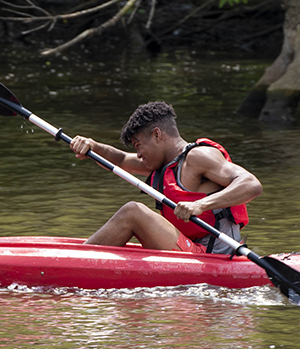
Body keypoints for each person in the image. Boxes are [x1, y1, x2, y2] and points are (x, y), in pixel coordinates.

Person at [68, 101, 262, 253]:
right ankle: (81, 258)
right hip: (189, 248)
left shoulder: (199, 157)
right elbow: (119, 159)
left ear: (157, 135)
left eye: (138, 146)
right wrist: (93, 146)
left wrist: (200, 205)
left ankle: (72, 264)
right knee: (132, 212)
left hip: (213, 254)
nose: (139, 155)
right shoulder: (162, 167)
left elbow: (251, 184)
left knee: (132, 212)